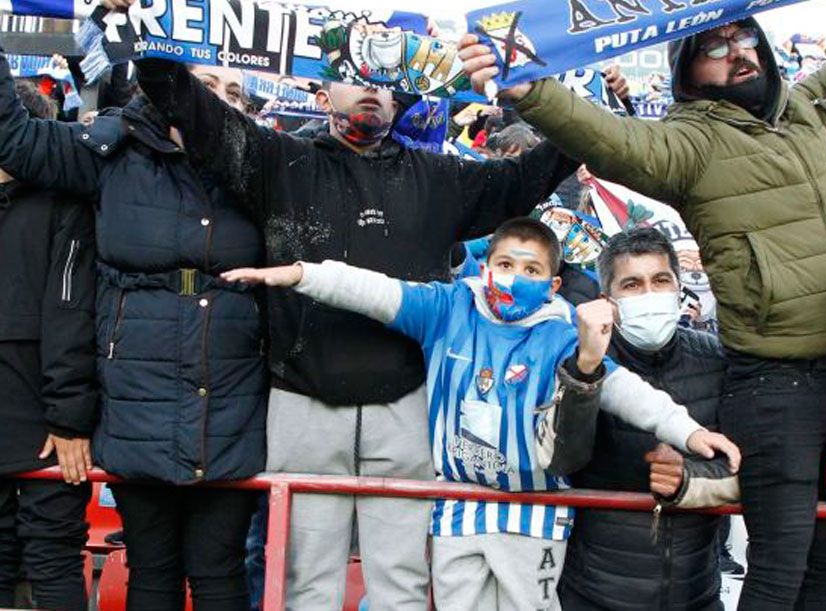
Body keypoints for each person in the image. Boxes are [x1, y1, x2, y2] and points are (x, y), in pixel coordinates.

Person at [460, 0, 826, 609]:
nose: (739, 53)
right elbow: (609, 141)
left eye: (746, 38)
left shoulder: (808, 109)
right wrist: (532, 92)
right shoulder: (689, 142)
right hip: (776, 382)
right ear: (687, 71)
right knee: (779, 570)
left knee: (824, 566)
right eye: (716, 48)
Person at [103, 0, 580, 609]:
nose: (372, 93)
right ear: (324, 88)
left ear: (403, 97)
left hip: (406, 408)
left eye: (387, 84)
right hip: (302, 404)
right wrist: (146, 24)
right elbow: (184, 102)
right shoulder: (277, 161)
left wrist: (542, 93)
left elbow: (537, 172)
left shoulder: (440, 179)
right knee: (304, 585)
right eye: (358, 76)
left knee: (402, 586)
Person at [222, 217, 740, 611]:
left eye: (532, 270)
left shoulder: (561, 335)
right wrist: (300, 274)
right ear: (486, 265)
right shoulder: (448, 308)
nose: (515, 278)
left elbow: (627, 391)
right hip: (458, 508)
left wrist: (690, 433)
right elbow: (372, 290)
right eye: (507, 265)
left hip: (533, 514)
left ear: (553, 284)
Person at [0, 44, 266, 610]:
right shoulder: (111, 150)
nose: (219, 101)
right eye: (207, 85)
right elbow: (16, 140)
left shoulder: (266, 167)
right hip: (135, 397)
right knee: (151, 569)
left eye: (234, 93)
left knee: (220, 571)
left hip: (231, 398)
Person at [557, 227, 738, 611]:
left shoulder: (717, 359)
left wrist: (688, 478)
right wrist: (585, 371)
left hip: (697, 595)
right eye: (633, 285)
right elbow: (563, 458)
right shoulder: (580, 361)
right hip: (595, 594)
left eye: (660, 280)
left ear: (678, 287)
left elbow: (747, 461)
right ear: (608, 300)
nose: (650, 294)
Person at [0, 82, 97, 611]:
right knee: (54, 557)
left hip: (50, 425)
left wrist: (66, 418)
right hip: (51, 427)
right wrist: (68, 418)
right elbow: (70, 316)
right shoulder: (70, 205)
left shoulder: (66, 204)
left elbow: (66, 316)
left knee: (49, 557)